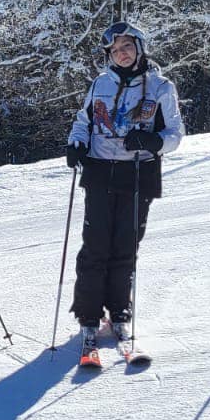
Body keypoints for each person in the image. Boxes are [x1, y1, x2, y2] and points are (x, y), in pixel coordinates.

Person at [65, 22, 184, 365]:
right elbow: (83, 121)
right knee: (95, 244)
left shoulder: (161, 86)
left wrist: (153, 141)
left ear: (140, 47)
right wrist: (76, 142)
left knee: (126, 245)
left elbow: (175, 133)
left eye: (127, 46)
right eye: (115, 50)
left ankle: (119, 311)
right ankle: (89, 315)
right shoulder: (100, 84)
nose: (122, 54)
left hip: (138, 172)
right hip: (100, 170)